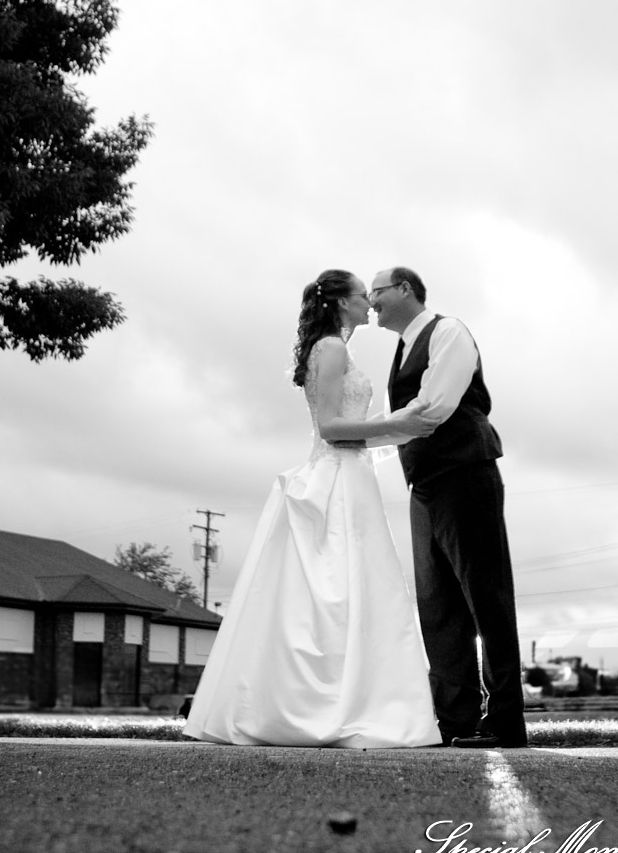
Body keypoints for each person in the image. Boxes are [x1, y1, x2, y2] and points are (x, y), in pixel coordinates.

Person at [183, 270, 443, 748]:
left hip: (353, 472)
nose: (371, 303)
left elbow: (351, 429)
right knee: (340, 593)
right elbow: (329, 427)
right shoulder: (334, 349)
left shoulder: (333, 348)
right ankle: (328, 705)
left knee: (352, 593)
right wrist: (397, 422)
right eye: (364, 296)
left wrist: (400, 431)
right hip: (338, 478)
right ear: (342, 303)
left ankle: (348, 701)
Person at [368, 267, 528, 748]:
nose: (370, 300)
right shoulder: (400, 350)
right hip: (424, 484)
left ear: (405, 290)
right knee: (437, 606)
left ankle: (504, 722)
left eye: (376, 291)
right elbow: (408, 417)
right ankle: (454, 722)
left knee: (486, 598)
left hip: (466, 472)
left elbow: (434, 407)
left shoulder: (448, 332)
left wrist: (355, 434)